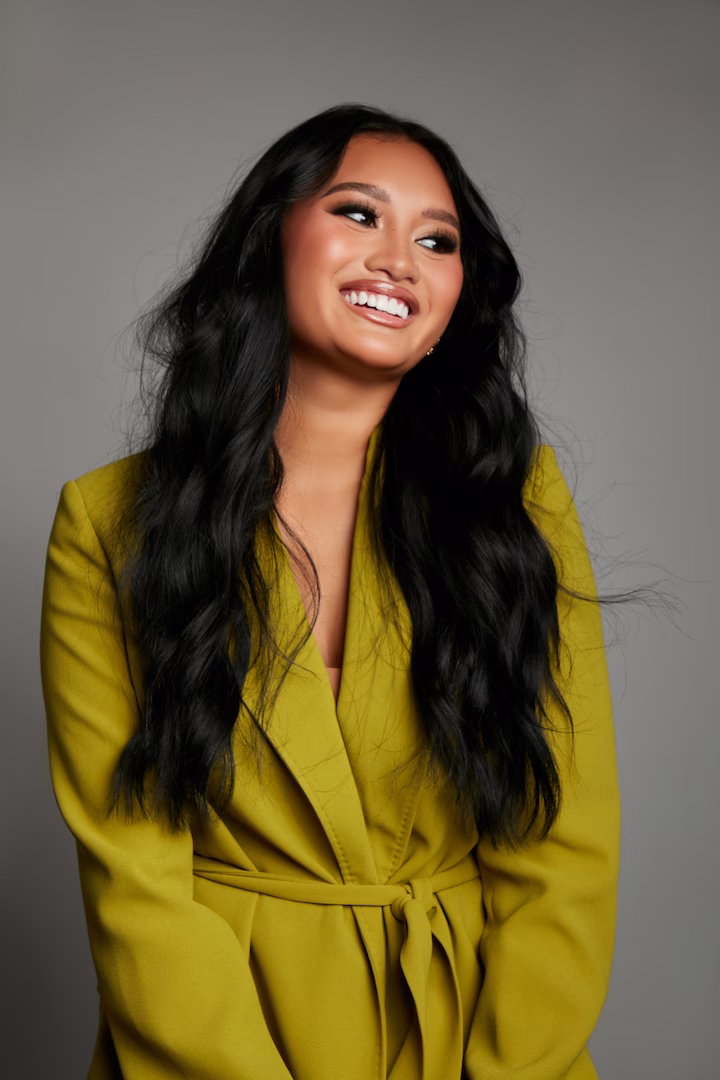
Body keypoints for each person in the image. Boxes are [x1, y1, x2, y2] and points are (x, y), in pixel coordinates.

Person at [39, 103, 622, 1080]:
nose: (400, 257)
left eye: (438, 240)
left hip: (469, 1038)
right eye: (360, 214)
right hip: (218, 1046)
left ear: (455, 304)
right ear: (272, 239)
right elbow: (135, 879)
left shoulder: (516, 504)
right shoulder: (108, 523)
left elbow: (562, 846)